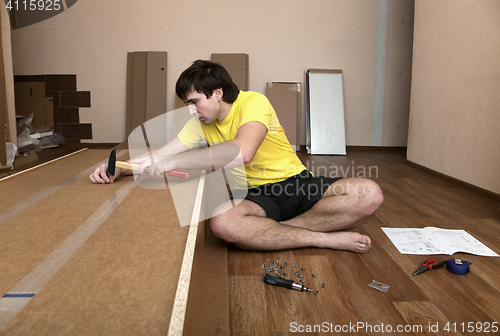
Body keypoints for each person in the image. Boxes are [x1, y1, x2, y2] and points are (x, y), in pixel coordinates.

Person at [90, 60, 383, 253]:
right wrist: (120, 168)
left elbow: (243, 151)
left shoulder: (253, 101)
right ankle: (322, 238)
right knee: (222, 224)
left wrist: (173, 163)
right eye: (186, 105)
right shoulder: (198, 124)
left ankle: (274, 233)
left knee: (369, 194)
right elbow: (159, 156)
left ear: (217, 93)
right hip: (255, 196)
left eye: (194, 103)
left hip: (296, 183)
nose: (191, 111)